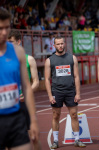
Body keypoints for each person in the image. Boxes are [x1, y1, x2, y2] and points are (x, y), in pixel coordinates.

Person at [0, 8, 39, 150]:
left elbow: (28, 87)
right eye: (0, 28)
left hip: (15, 118)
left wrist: (33, 121)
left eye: (7, 27)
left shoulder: (18, 52)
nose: (4, 32)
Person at [44, 36, 86, 149]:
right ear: (54, 45)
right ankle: (56, 141)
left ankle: (77, 139)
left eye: (62, 43)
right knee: (56, 115)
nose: (60, 46)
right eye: (58, 44)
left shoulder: (72, 58)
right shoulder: (49, 60)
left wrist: (78, 93)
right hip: (56, 91)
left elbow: (77, 76)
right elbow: (47, 79)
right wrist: (49, 95)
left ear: (64, 44)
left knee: (74, 115)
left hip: (70, 91)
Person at [8, 30, 41, 150]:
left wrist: (27, 93)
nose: (8, 44)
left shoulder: (29, 59)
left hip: (24, 103)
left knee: (33, 136)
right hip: (9, 104)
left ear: (18, 41)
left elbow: (36, 82)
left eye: (11, 42)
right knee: (9, 138)